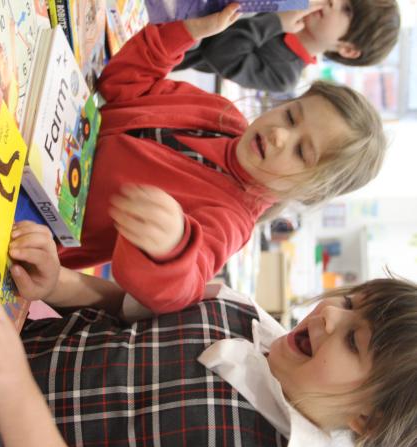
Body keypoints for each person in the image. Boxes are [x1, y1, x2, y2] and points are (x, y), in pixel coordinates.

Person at [0, 221, 417, 447]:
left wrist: (12, 389)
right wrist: (58, 284)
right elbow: (119, 306)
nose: (329, 317)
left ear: (367, 420)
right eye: (349, 303)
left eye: (353, 341)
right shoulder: (241, 310)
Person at [58, 4, 387, 314]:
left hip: (35, 224)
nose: (279, 135)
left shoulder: (230, 219)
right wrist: (187, 31)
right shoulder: (221, 114)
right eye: (290, 116)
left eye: (301, 151)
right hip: (44, 131)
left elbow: (181, 289)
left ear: (309, 192)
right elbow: (121, 83)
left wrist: (172, 248)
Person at [174, 0, 401, 93]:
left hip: (163, 40)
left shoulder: (283, 75)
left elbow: (220, 51)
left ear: (348, 49)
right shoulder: (296, 2)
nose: (334, 2)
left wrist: (278, 21)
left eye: (347, 10)